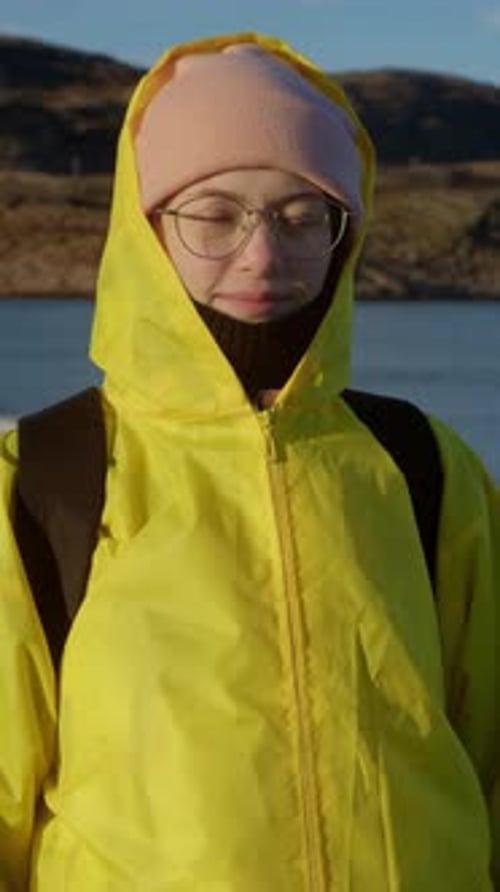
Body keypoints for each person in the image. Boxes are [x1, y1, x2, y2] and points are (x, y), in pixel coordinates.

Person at [0, 31, 499, 892]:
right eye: (216, 215)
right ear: (147, 229)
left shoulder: (424, 466)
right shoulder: (46, 479)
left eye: (304, 217)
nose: (263, 255)